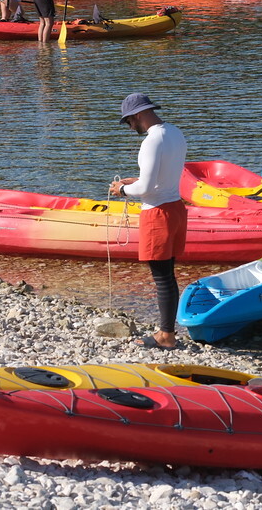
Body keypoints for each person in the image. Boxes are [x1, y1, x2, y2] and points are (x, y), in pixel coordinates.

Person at [109, 93, 188, 350]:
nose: (130, 127)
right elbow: (162, 176)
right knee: (169, 274)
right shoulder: (175, 133)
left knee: (162, 277)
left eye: (129, 122)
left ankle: (166, 336)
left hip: (158, 213)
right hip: (176, 207)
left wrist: (121, 189)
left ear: (138, 115)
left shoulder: (152, 141)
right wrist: (136, 181)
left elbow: (146, 187)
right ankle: (168, 330)